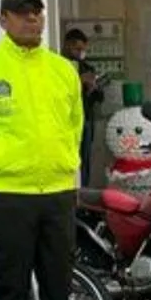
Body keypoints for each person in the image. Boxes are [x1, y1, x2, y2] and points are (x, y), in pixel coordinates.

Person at [0, 0, 102, 300]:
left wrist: (68, 169)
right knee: (9, 280)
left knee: (57, 278)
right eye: (22, 11)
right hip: (8, 191)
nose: (32, 17)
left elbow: (75, 125)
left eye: (37, 10)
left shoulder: (62, 70)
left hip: (57, 192)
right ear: (3, 20)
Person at [62, 28, 105, 187]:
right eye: (78, 49)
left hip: (86, 118)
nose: (81, 53)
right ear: (67, 45)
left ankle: (84, 194)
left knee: (85, 158)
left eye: (83, 50)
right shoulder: (58, 66)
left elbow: (99, 98)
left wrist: (94, 88)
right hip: (65, 121)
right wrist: (79, 82)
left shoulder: (88, 68)